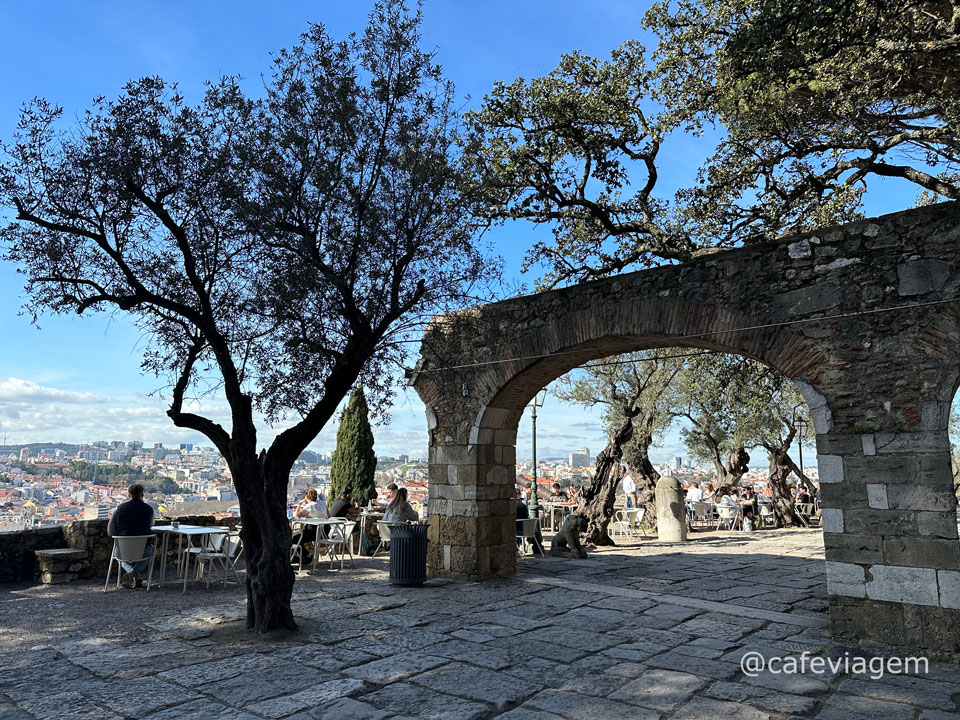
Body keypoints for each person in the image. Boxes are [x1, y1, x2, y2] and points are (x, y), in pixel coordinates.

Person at [107, 483, 155, 589]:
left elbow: (110, 531)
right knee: (151, 551)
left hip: (122, 549)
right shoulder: (148, 510)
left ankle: (130, 573)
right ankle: (134, 575)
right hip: (143, 550)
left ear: (129, 495)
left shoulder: (119, 509)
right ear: (142, 494)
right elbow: (151, 525)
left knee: (118, 555)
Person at [291, 488, 328, 555]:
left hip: (315, 533)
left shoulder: (309, 506)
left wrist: (299, 504)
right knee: (298, 534)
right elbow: (329, 516)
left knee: (294, 538)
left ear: (306, 496)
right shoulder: (322, 503)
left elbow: (296, 517)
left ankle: (305, 556)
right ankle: (306, 556)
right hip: (325, 532)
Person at [515, 486, 544, 555]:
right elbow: (526, 515)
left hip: (518, 530)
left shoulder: (512, 505)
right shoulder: (522, 504)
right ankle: (518, 547)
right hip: (527, 530)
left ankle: (516, 549)